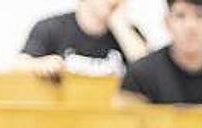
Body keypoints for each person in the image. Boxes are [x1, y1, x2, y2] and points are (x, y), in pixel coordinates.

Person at [117, 0, 202, 106]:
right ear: (167, 22)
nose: (191, 26)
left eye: (199, 15)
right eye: (180, 16)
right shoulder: (140, 76)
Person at [17, 0, 148, 80]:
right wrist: (40, 65)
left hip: (111, 119)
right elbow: (19, 64)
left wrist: (120, 26)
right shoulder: (51, 28)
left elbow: (149, 72)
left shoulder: (130, 34)